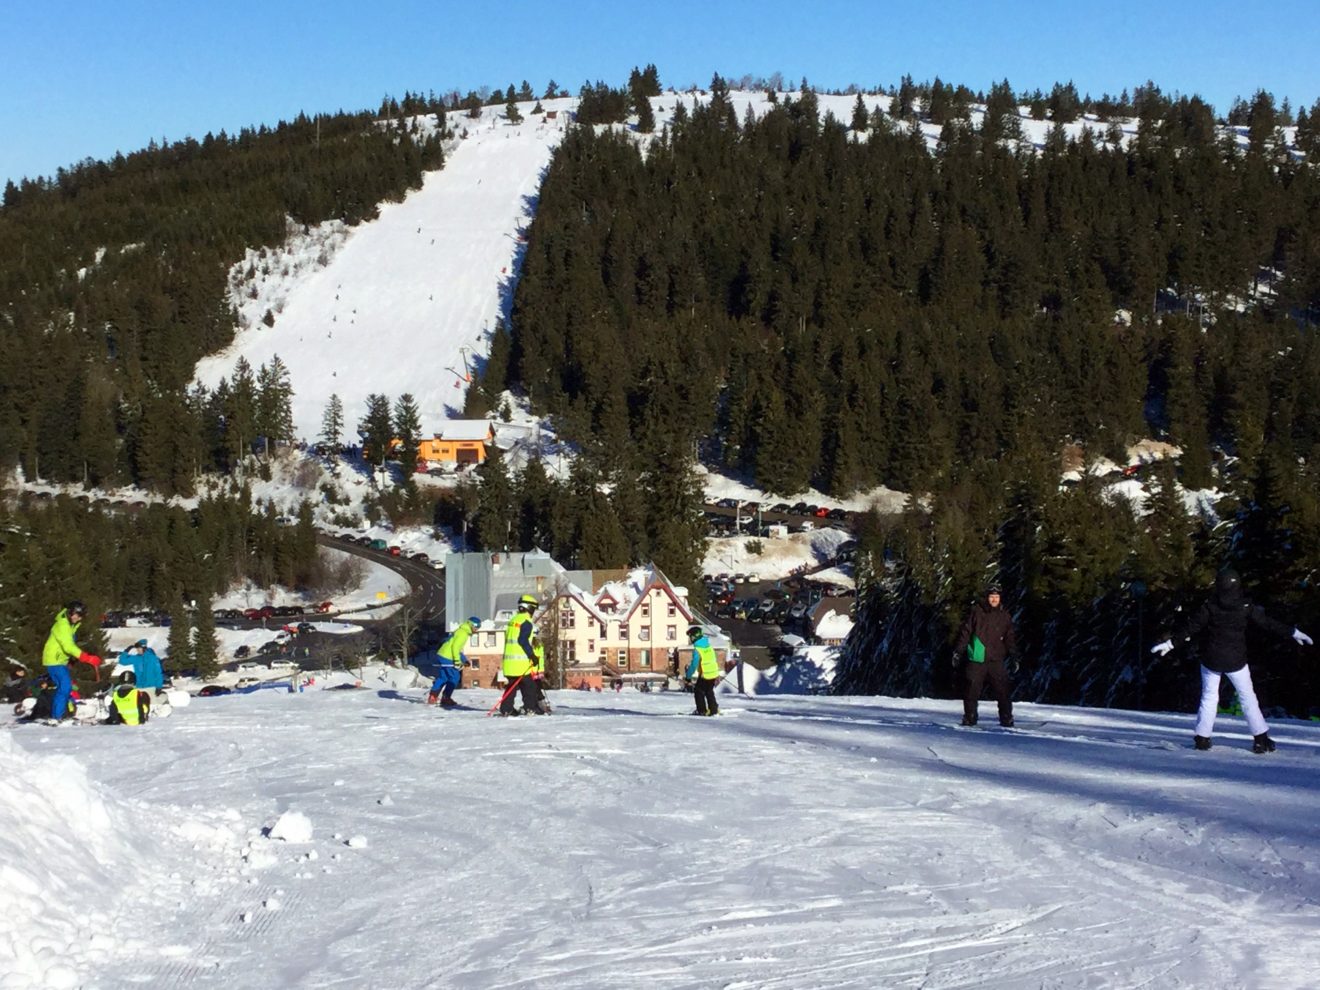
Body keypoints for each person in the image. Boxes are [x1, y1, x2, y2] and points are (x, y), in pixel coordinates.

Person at [1151, 568, 1313, 752]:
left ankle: (1202, 739)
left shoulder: (1209, 607)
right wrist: (1292, 632)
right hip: (1236, 661)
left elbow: (1191, 627)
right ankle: (1260, 739)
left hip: (1211, 660)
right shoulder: (1245, 606)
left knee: (1209, 698)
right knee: (1248, 699)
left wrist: (1171, 643)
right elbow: (1268, 623)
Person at [952, 585, 1018, 727]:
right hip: (977, 657)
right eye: (991, 597)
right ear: (987, 598)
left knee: (1003, 690)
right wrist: (958, 651)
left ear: (1000, 598)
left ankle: (1006, 718)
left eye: (996, 597)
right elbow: (966, 632)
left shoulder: (1005, 615)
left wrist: (1013, 655)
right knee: (971, 690)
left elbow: (1010, 637)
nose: (994, 599)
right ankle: (970, 717)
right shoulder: (977, 612)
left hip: (996, 659)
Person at [42, 601, 101, 722]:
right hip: (54, 660)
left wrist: (71, 659)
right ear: (70, 612)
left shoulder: (71, 625)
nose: (77, 617)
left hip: (60, 660)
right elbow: (68, 646)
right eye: (75, 614)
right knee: (65, 687)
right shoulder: (62, 625)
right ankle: (56, 716)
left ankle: (62, 712)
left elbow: (68, 645)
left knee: (66, 688)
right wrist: (87, 658)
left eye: (79, 616)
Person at [500, 594, 547, 716]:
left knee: (511, 687)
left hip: (509, 663)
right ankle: (530, 708)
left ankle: (506, 709)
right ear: (529, 608)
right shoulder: (526, 622)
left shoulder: (513, 620)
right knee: (529, 687)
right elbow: (522, 640)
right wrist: (532, 655)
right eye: (533, 609)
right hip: (520, 663)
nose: (533, 612)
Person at [428, 616, 480, 707]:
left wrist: (464, 659)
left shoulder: (461, 631)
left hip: (442, 654)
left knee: (443, 677)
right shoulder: (463, 633)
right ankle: (446, 698)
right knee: (455, 677)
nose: (477, 628)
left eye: (479, 626)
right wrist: (457, 661)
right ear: (470, 624)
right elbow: (455, 648)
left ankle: (433, 696)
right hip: (448, 657)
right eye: (476, 625)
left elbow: (457, 648)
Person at [684, 624, 721, 716]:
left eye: (691, 637)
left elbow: (693, 665)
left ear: (694, 637)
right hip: (713, 673)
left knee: (698, 691)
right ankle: (714, 709)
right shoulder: (708, 646)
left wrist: (688, 676)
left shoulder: (698, 649)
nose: (690, 639)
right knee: (709, 691)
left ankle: (701, 710)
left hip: (706, 674)